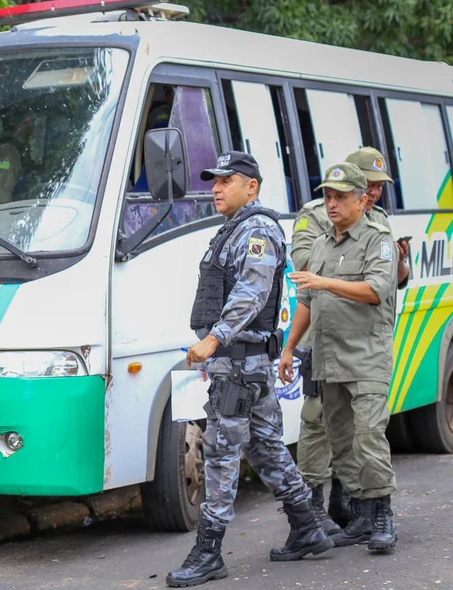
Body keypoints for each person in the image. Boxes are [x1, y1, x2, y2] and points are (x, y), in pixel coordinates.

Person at [167, 152, 331, 588]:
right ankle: (307, 527)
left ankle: (209, 552)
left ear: (252, 186)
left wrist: (212, 339)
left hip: (239, 362)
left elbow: (251, 294)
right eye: (214, 181)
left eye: (227, 181)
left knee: (221, 453)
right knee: (264, 447)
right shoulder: (236, 229)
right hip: (245, 361)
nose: (216, 188)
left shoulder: (256, 231)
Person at [280, 162, 399, 554]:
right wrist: (288, 347)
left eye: (340, 197)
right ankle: (362, 515)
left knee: (368, 436)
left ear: (362, 200)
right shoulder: (319, 244)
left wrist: (325, 281)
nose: (331, 204)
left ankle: (383, 514)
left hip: (366, 358)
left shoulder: (377, 240)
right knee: (342, 442)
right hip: (329, 358)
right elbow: (306, 302)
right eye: (327, 196)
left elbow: (376, 290)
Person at [0, 110, 34, 206]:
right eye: (30, 120)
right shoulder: (7, 154)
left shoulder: (13, 150)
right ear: (24, 122)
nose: (32, 124)